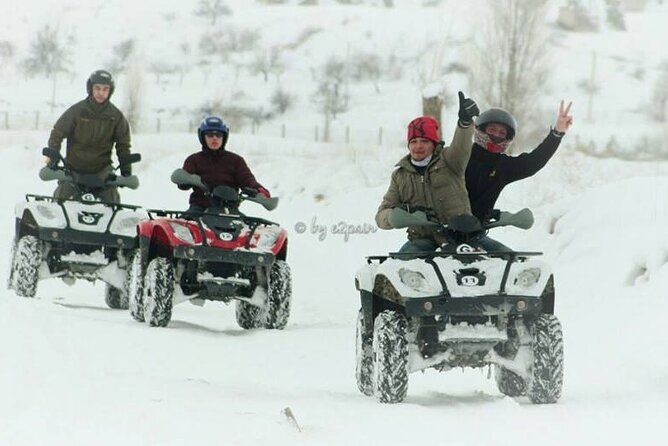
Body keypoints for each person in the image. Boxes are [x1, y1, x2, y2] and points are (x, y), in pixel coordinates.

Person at [375, 91, 479, 253]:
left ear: (434, 143)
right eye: (414, 141)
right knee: (398, 267)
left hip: (463, 239)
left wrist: (465, 123)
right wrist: (397, 215)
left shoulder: (450, 160)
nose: (418, 146)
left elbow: (462, 146)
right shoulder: (400, 176)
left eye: (424, 141)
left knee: (505, 261)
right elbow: (381, 216)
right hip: (422, 242)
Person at [465, 101, 574, 223]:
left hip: (475, 233)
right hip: (445, 230)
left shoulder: (502, 166)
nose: (496, 135)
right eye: (492, 129)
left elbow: (533, 162)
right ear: (481, 129)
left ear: (507, 138)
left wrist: (557, 134)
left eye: (502, 133)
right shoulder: (461, 155)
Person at [46, 69, 132, 203]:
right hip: (74, 170)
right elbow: (57, 133)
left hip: (102, 171)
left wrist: (126, 169)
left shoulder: (116, 116)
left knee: (114, 204)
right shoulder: (77, 111)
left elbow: (123, 145)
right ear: (90, 88)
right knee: (59, 202)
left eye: (105, 89)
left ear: (110, 91)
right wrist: (53, 157)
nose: (101, 93)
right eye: (97, 88)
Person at [179, 115, 270, 215]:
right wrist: (184, 179)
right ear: (202, 137)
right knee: (182, 225)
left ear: (224, 137)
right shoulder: (193, 160)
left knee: (251, 229)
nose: (214, 138)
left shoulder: (236, 160)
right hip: (199, 209)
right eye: (210, 135)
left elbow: (247, 180)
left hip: (230, 211)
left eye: (218, 135)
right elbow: (183, 181)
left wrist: (259, 190)